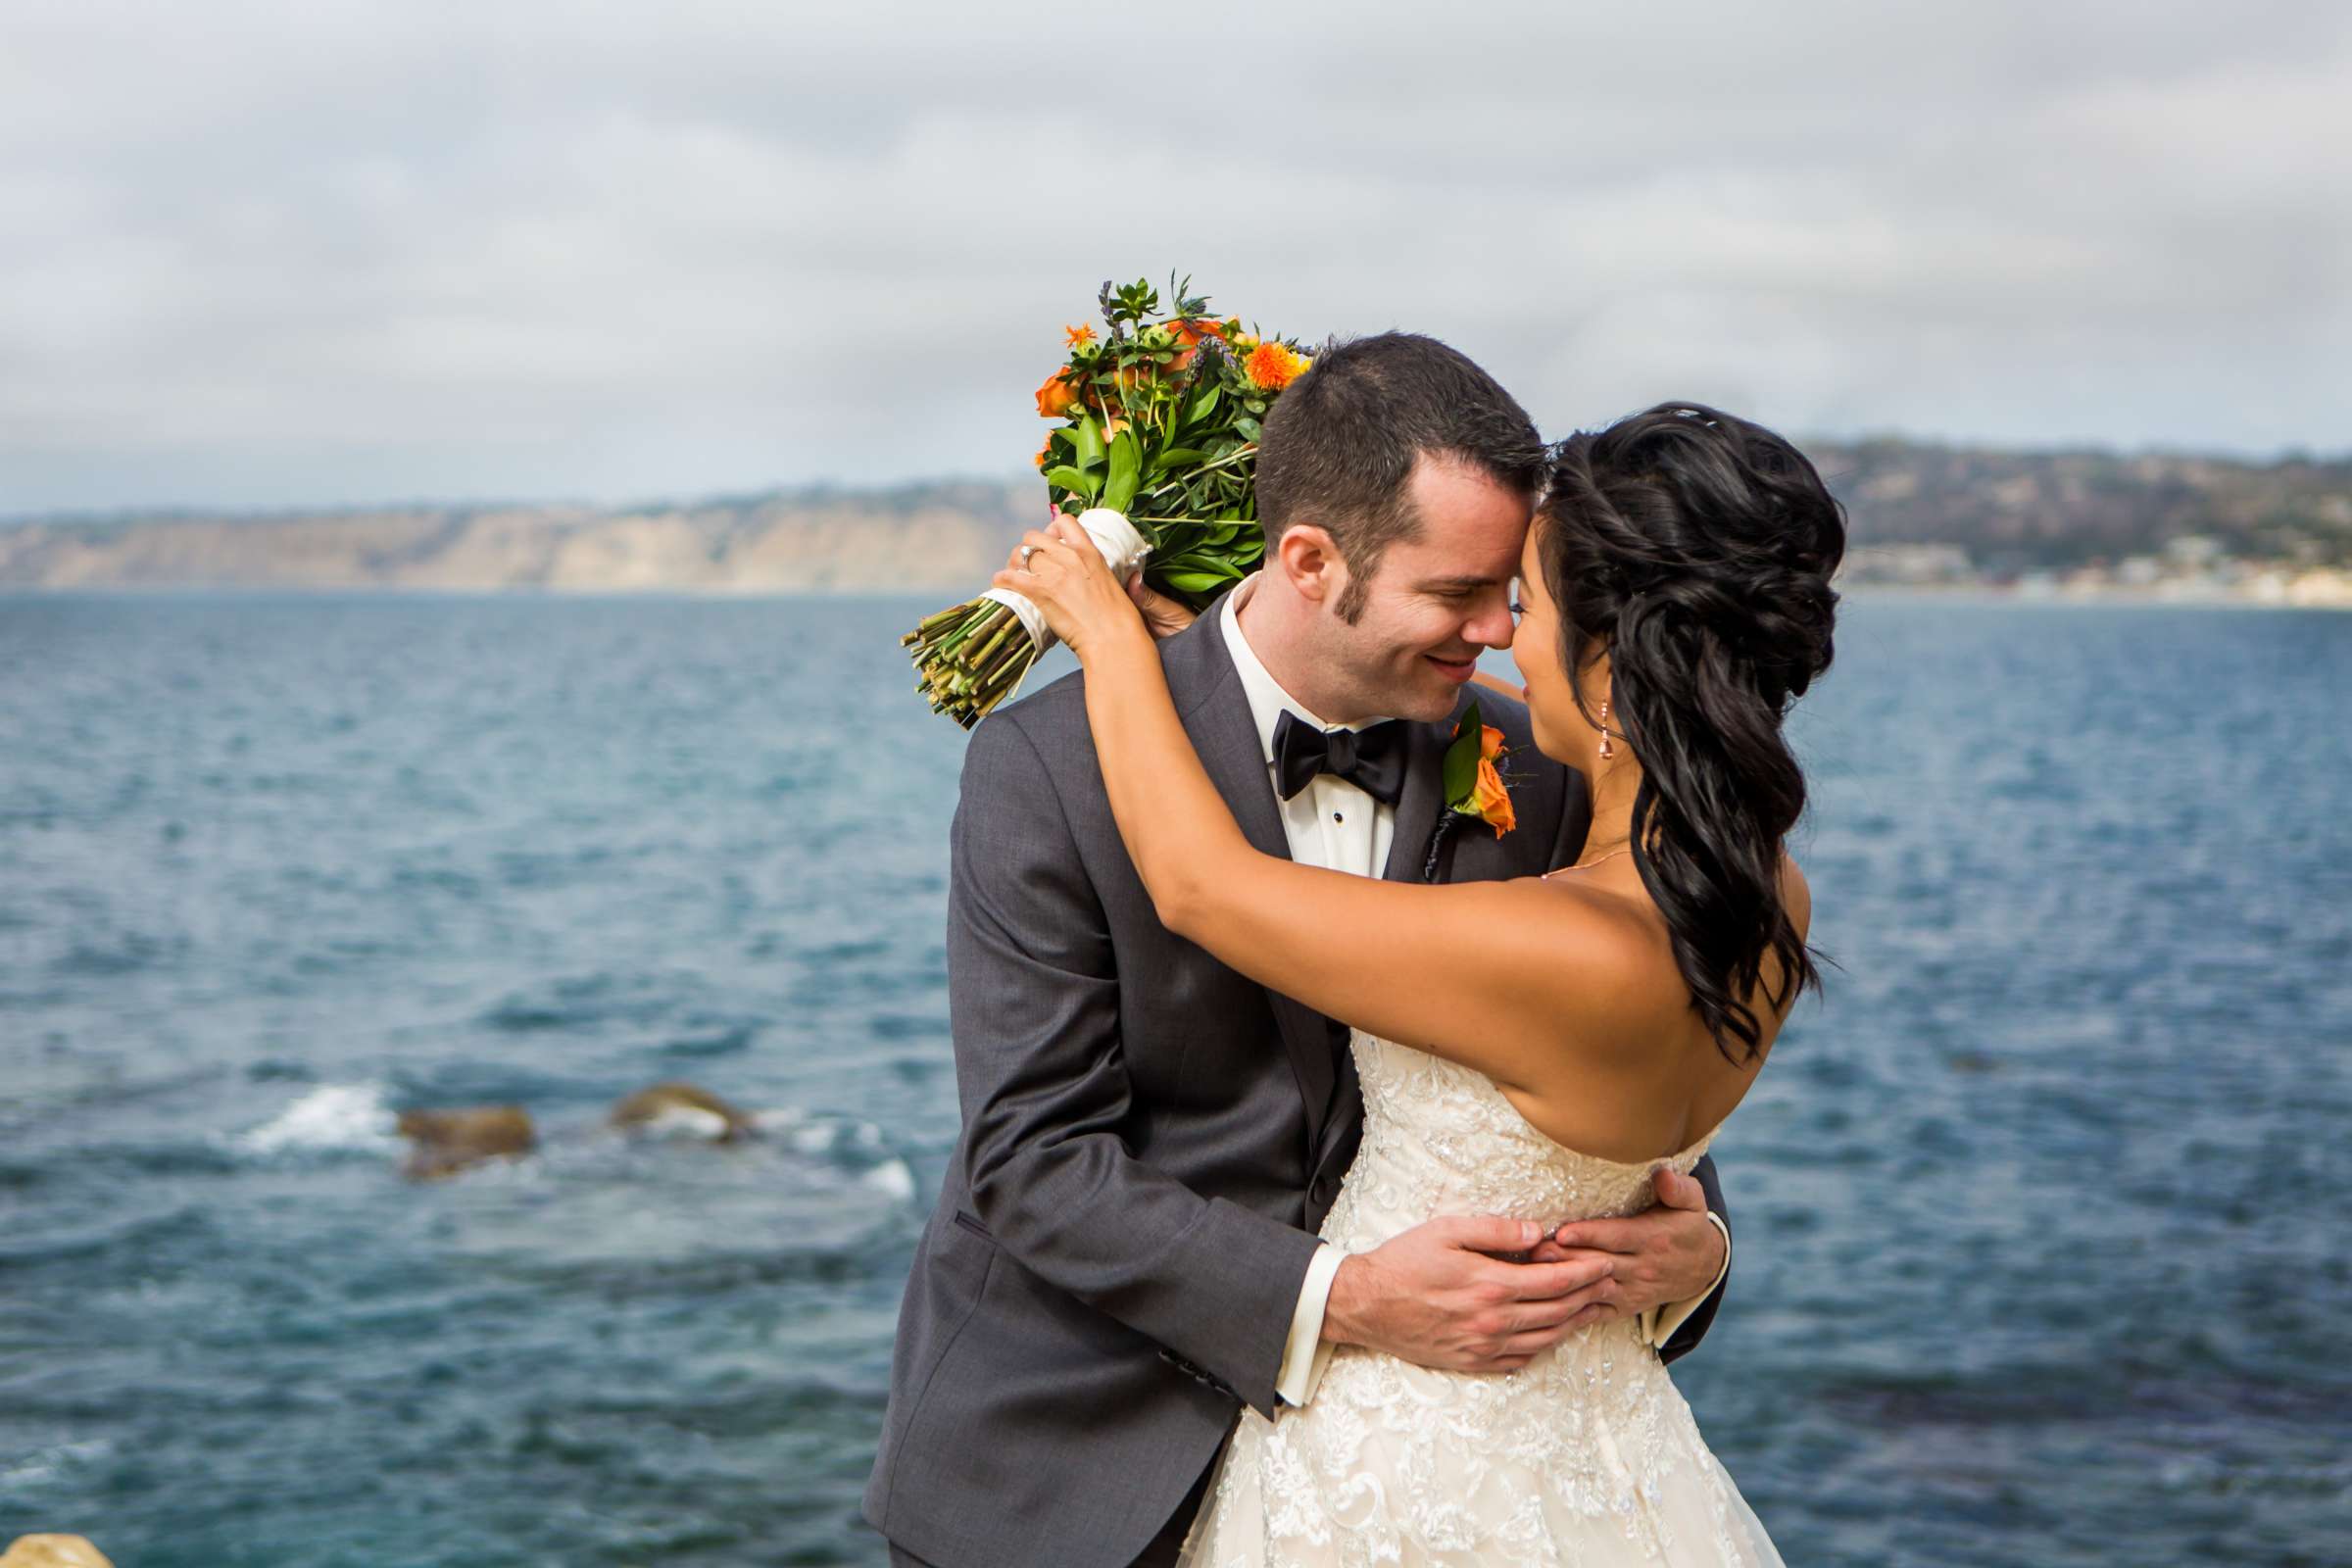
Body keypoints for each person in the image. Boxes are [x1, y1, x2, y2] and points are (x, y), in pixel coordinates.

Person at [864, 335, 1744, 1568]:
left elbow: (1625, 1065)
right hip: (1071, 1468)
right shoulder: (1050, 767)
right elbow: (1032, 1159)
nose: (1497, 632)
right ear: (1311, 561)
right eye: (1457, 594)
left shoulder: (1547, 767)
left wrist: (1691, 1247)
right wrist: (1347, 1297)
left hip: (1424, 1487)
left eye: (1513, 591)